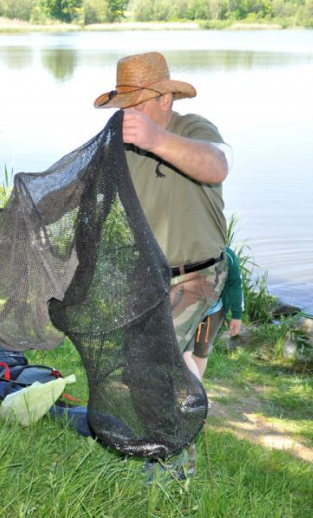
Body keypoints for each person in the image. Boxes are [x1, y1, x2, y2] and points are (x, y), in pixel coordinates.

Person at [94, 51, 233, 481]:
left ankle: (166, 463)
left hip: (199, 275)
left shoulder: (193, 128)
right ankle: (175, 451)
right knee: (184, 371)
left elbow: (218, 165)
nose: (127, 114)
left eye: (136, 103)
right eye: (124, 105)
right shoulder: (118, 144)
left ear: (165, 101)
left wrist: (156, 139)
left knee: (154, 362)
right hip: (150, 276)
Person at [191, 246, 243, 379]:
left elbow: (235, 284)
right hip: (185, 310)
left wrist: (237, 315)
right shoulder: (186, 247)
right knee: (181, 350)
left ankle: (195, 392)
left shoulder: (227, 255)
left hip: (212, 311)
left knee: (201, 351)